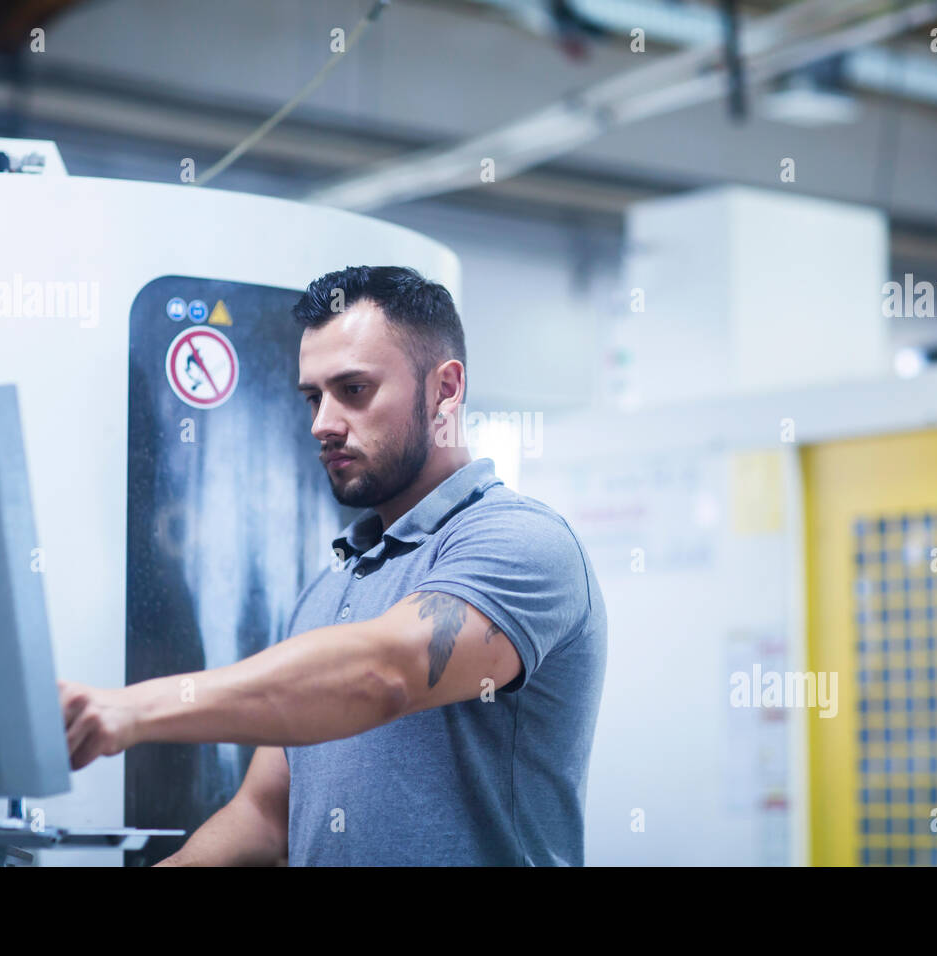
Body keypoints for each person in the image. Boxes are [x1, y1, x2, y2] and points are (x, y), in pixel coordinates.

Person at [59, 265, 607, 865]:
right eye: (313, 397)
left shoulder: (519, 541)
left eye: (354, 390)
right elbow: (265, 816)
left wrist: (133, 710)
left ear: (445, 390)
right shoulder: (330, 587)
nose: (322, 423)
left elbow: (385, 674)